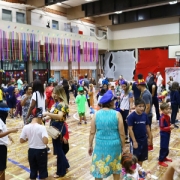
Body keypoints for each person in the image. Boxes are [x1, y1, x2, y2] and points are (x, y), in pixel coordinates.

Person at [89, 90, 125, 180]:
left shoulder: (96, 114)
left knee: (98, 170)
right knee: (116, 169)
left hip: (100, 145)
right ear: (111, 102)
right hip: (115, 145)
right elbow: (122, 133)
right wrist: (123, 147)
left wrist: (90, 145)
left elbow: (92, 132)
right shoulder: (117, 114)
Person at [42, 85, 70, 178]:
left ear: (59, 94)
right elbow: (53, 115)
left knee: (59, 150)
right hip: (55, 127)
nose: (53, 95)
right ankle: (65, 166)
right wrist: (45, 117)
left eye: (55, 93)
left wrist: (47, 113)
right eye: (53, 93)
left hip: (59, 128)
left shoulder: (62, 104)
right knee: (59, 149)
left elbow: (59, 116)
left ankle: (60, 172)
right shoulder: (56, 104)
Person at [20, 108, 48, 180]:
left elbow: (21, 140)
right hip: (41, 151)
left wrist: (29, 138)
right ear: (39, 117)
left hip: (31, 151)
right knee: (42, 172)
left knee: (33, 171)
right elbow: (45, 141)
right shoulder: (42, 127)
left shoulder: (26, 127)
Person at [127, 98, 151, 166]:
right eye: (140, 106)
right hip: (136, 140)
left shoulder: (145, 115)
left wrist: (149, 138)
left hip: (143, 139)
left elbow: (147, 127)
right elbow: (130, 129)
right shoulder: (131, 117)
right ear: (135, 106)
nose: (142, 108)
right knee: (134, 158)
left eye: (143, 106)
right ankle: (133, 173)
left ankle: (139, 172)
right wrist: (134, 141)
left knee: (142, 158)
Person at [0, 102, 18, 180]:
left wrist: (8, 136)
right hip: (1, 147)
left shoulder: (1, 120)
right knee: (1, 168)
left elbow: (2, 131)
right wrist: (11, 131)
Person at [136, 74, 153, 151]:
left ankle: (150, 145)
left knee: (148, 130)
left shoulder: (145, 94)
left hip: (147, 115)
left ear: (140, 85)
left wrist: (144, 115)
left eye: (137, 85)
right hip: (147, 114)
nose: (136, 87)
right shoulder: (144, 93)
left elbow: (148, 106)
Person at [158, 103, 174, 167]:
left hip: (167, 133)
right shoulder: (162, 118)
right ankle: (160, 160)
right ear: (162, 110)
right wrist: (169, 127)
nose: (168, 110)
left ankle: (164, 157)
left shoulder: (168, 116)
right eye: (166, 109)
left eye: (168, 109)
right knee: (163, 147)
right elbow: (162, 128)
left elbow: (168, 124)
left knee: (166, 146)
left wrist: (170, 126)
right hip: (164, 134)